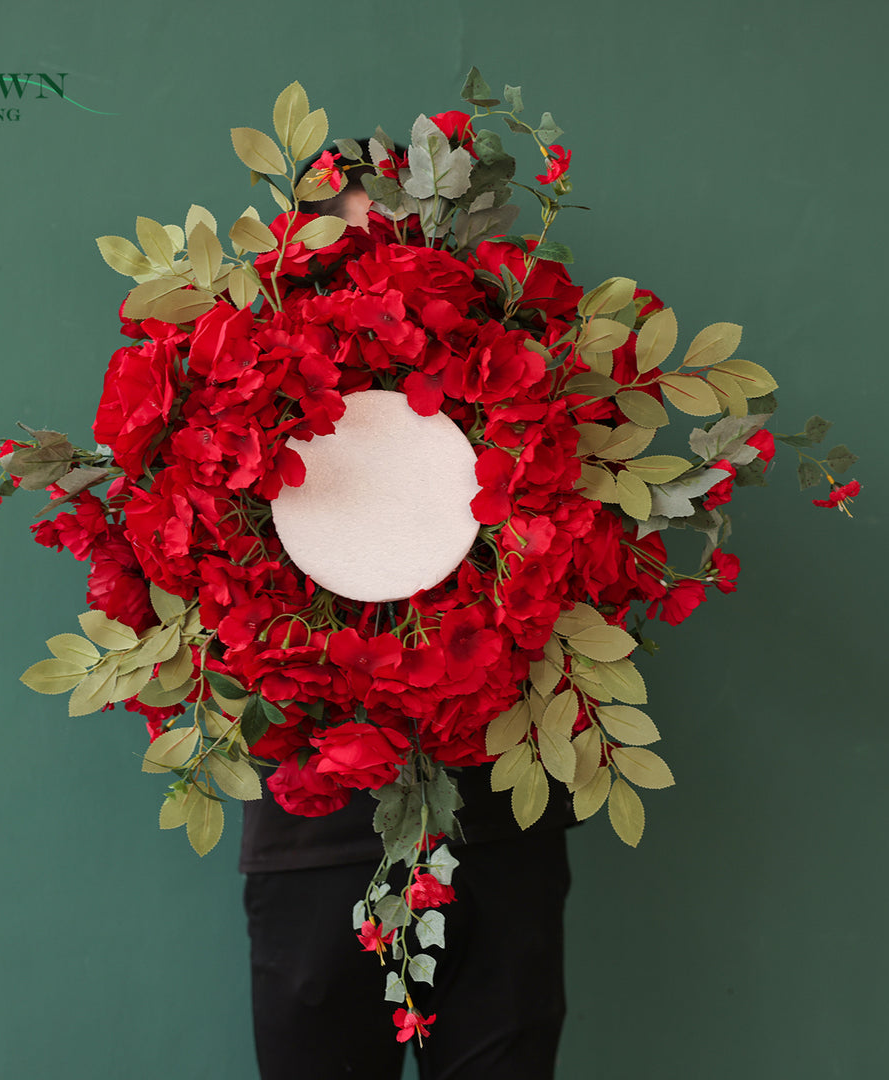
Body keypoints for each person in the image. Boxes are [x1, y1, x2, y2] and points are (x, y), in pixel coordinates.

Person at [240, 149, 576, 1080]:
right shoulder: (240, 403)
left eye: (389, 237)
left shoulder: (516, 372)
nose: (367, 264)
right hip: (315, 843)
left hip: (500, 831)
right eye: (342, 242)